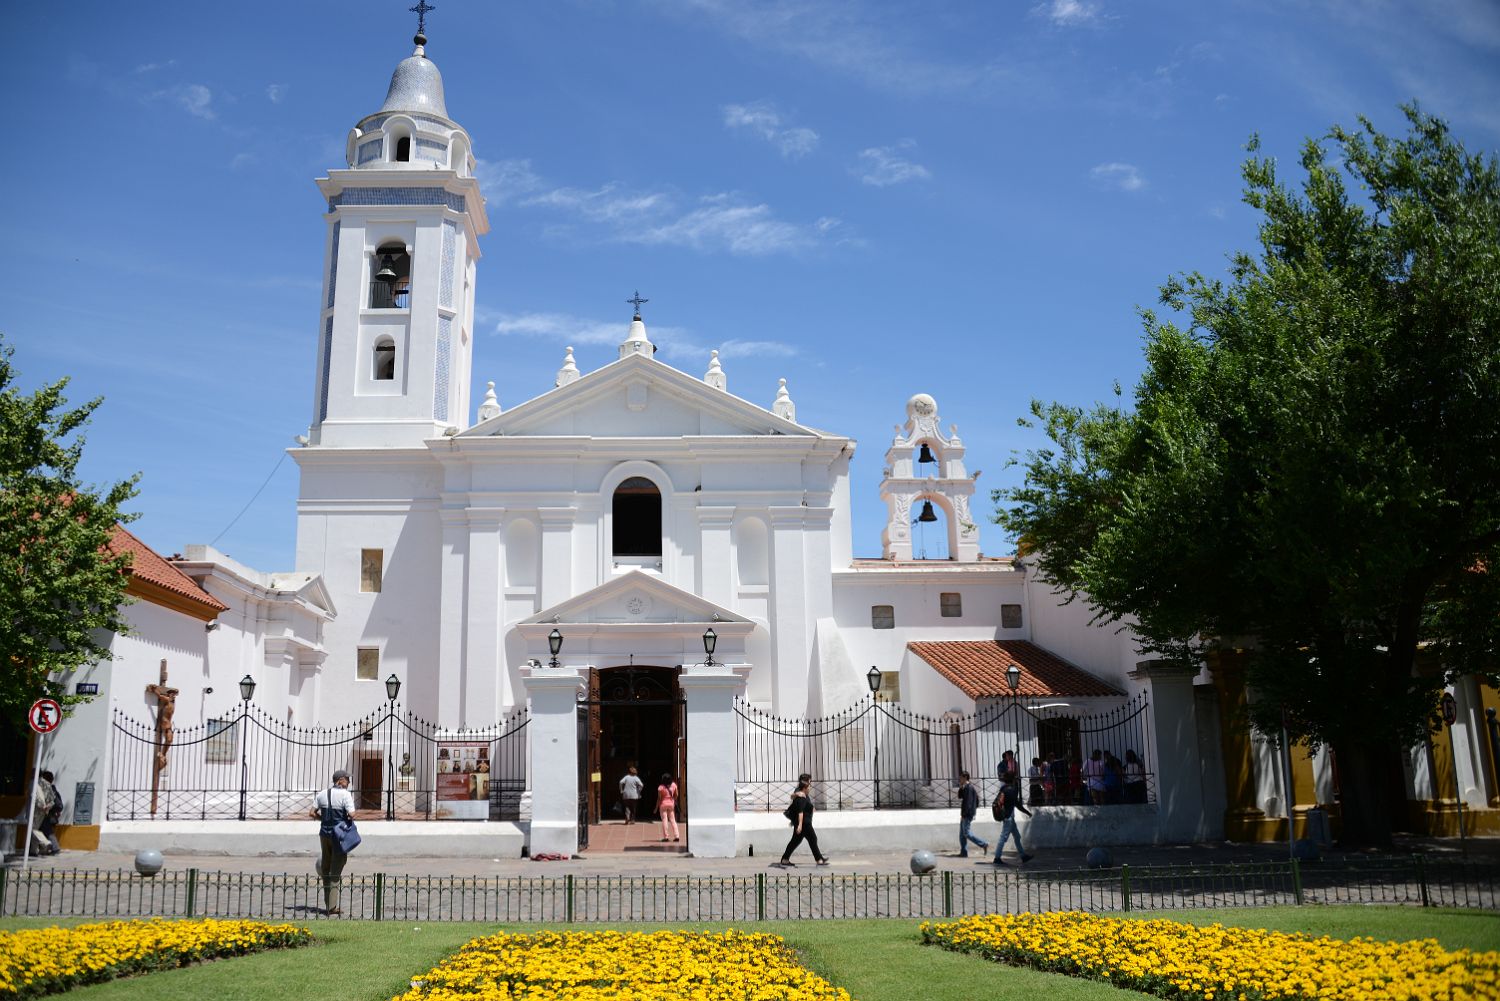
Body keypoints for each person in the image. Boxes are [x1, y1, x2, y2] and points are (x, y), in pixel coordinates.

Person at [311, 769, 356, 914]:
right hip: (338, 836)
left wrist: (323, 819)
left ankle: (328, 903)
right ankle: (331, 907)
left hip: (324, 834)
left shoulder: (322, 793)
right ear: (340, 780)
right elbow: (352, 814)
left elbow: (311, 813)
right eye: (347, 779)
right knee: (335, 870)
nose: (349, 782)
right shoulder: (345, 795)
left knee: (325, 868)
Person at [776, 773, 829, 867]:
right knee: (812, 839)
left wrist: (810, 807)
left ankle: (785, 859)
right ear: (806, 784)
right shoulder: (801, 795)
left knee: (795, 841)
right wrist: (800, 825)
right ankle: (819, 859)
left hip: (803, 822)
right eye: (809, 782)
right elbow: (800, 812)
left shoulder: (800, 792)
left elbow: (794, 798)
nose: (810, 785)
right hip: (805, 823)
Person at [992, 778, 1033, 865]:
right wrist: (1027, 812)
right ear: (1013, 780)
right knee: (1003, 837)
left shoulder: (1003, 789)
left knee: (1017, 836)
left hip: (1007, 817)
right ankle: (997, 858)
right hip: (1009, 817)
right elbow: (1017, 804)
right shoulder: (1012, 790)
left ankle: (1023, 856)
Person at [956, 770, 989, 858]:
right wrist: (961, 787)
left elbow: (968, 802)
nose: (959, 779)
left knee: (967, 833)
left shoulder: (969, 788)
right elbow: (960, 796)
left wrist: (965, 814)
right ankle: (964, 852)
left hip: (967, 814)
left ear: (965, 777)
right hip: (965, 813)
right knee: (962, 834)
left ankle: (984, 844)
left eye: (961, 777)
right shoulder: (965, 787)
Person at [30, 771, 60, 856]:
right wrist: (48, 807)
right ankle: (34, 850)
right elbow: (52, 799)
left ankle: (46, 843)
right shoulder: (48, 785)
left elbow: (37, 797)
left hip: (38, 811)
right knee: (37, 829)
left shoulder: (36, 783)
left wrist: (43, 806)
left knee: (33, 829)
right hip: (45, 811)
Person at [656, 772, 680, 842]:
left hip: (663, 804)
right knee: (673, 820)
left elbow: (659, 798)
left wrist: (656, 807)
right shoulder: (674, 785)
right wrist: (673, 799)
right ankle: (677, 835)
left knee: (664, 820)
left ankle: (666, 837)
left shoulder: (661, 787)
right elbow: (677, 795)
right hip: (671, 804)